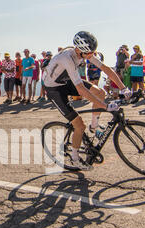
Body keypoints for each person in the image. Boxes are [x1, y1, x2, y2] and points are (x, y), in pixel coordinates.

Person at [43, 31, 131, 170]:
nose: (91, 56)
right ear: (79, 50)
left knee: (100, 92)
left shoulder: (85, 52)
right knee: (79, 125)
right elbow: (81, 90)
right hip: (54, 89)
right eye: (89, 53)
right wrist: (105, 106)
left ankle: (94, 126)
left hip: (65, 81)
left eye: (93, 52)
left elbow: (106, 69)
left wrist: (124, 88)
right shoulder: (67, 58)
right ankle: (75, 158)